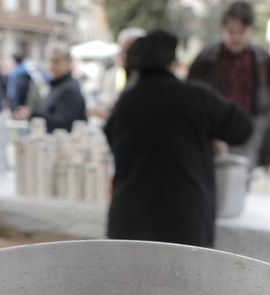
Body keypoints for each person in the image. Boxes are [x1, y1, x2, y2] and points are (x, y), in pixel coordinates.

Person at [106, 30, 253, 247]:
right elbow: (242, 128)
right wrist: (206, 137)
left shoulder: (125, 104)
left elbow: (112, 140)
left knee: (130, 281)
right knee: (183, 281)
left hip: (130, 222)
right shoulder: (196, 97)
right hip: (182, 223)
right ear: (172, 61)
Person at [188, 1, 270, 170]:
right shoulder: (206, 59)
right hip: (212, 137)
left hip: (249, 137)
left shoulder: (263, 61)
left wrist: (267, 153)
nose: (235, 38)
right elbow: (190, 103)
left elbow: (269, 108)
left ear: (250, 30)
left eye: (241, 32)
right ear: (223, 29)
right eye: (230, 32)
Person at [13, 44, 86, 133]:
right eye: (50, 61)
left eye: (56, 62)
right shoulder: (57, 85)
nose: (51, 66)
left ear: (68, 63)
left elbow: (63, 123)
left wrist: (32, 114)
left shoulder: (69, 88)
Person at [89, 27, 146, 120]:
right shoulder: (117, 73)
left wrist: (108, 117)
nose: (122, 55)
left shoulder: (146, 81)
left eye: (128, 51)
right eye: (122, 50)